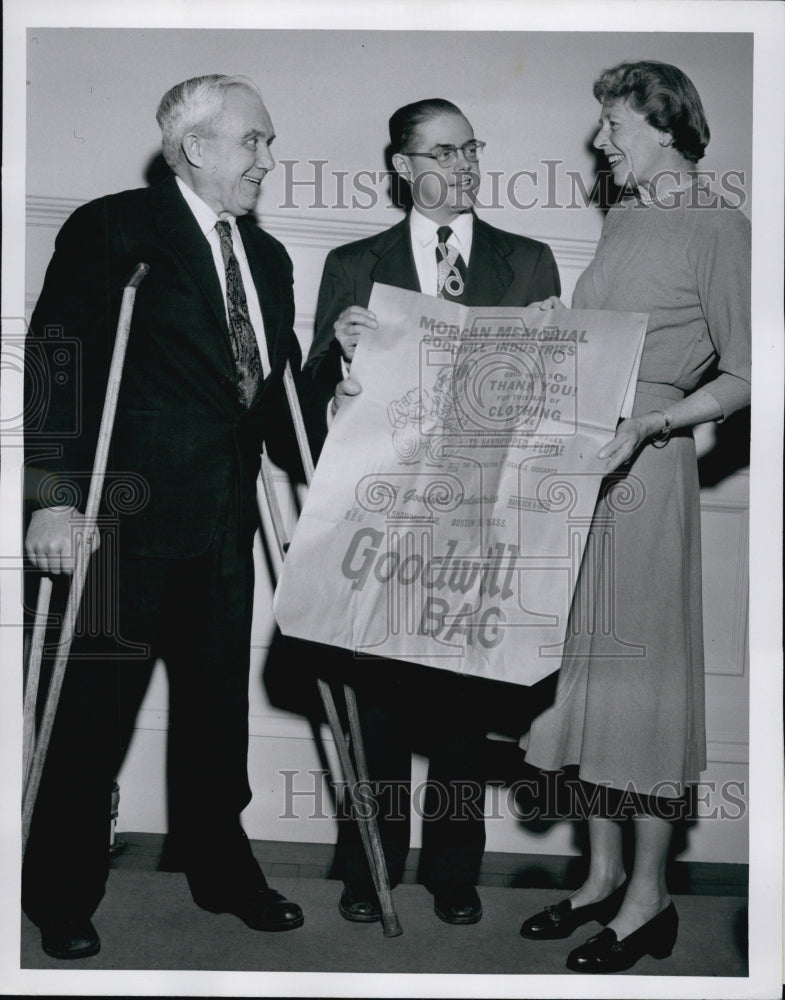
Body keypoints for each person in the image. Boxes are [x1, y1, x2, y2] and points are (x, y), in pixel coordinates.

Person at [23, 74, 308, 960]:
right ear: (197, 147)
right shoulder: (114, 228)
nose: (269, 157)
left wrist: (350, 370)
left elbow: (279, 400)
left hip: (224, 522)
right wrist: (54, 504)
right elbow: (58, 361)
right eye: (254, 141)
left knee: (216, 719)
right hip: (119, 523)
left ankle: (222, 869)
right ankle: (60, 890)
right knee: (91, 717)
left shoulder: (266, 260)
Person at [304, 98, 560, 926]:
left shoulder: (528, 262)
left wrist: (557, 351)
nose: (465, 165)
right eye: (444, 151)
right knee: (372, 705)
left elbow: (554, 406)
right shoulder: (354, 262)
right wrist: (338, 366)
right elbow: (310, 396)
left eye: (472, 149)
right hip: (378, 515)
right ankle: (366, 866)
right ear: (403, 167)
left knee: (461, 710)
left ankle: (453, 873)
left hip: (480, 517)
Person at [518, 61, 750, 973]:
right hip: (586, 465)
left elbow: (748, 371)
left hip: (647, 472)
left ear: (663, 128)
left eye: (613, 124)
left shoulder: (718, 227)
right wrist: (556, 327)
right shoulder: (624, 220)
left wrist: (653, 421)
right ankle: (598, 877)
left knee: (643, 688)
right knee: (593, 677)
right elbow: (608, 344)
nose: (600, 141)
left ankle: (650, 901)